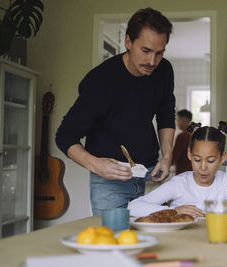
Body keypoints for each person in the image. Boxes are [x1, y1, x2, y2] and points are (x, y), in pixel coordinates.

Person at [55, 8, 176, 215]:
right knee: (111, 243)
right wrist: (95, 165)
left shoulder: (164, 70)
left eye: (159, 53)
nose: (152, 62)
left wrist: (166, 157)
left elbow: (165, 115)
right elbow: (65, 136)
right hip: (109, 183)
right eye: (145, 51)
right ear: (128, 42)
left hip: (150, 176)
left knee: (154, 241)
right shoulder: (101, 81)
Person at [129, 121, 227, 223]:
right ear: (189, 155)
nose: (203, 167)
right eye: (197, 160)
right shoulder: (180, 183)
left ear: (222, 158)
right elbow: (134, 207)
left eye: (210, 161)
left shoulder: (226, 182)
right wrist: (175, 211)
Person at [171, 109, 193, 175]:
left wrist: (166, 163)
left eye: (178, 120)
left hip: (183, 170)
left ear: (184, 120)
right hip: (192, 169)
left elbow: (175, 155)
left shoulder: (183, 136)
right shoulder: (193, 134)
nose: (177, 123)